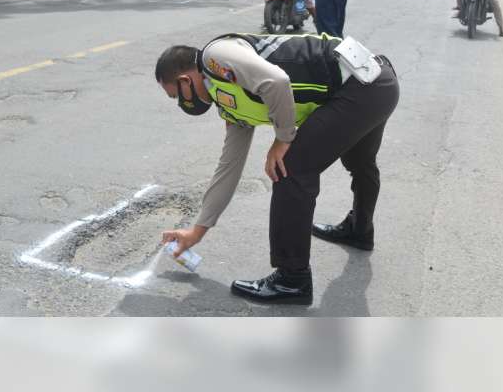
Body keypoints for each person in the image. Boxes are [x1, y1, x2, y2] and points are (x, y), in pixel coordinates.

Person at [156, 33, 399, 304]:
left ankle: (292, 279)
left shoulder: (215, 56)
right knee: (360, 162)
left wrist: (283, 139)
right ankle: (359, 230)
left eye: (175, 96)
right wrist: (196, 232)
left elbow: (276, 81)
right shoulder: (226, 103)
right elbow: (229, 167)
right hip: (375, 84)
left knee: (289, 165)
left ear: (184, 81)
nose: (181, 103)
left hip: (364, 85)